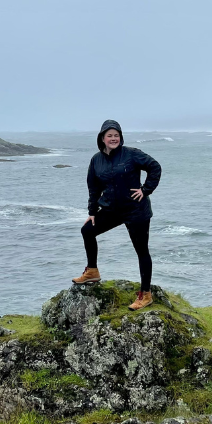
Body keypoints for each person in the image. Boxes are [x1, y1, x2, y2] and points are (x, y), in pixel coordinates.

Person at [73, 119, 162, 310]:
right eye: (109, 135)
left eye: (116, 135)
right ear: (102, 138)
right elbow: (93, 187)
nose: (113, 138)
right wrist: (92, 212)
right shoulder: (96, 160)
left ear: (120, 137)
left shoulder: (131, 154)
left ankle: (145, 294)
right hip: (111, 209)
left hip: (136, 209)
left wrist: (145, 190)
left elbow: (155, 167)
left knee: (142, 251)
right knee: (87, 231)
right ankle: (92, 271)